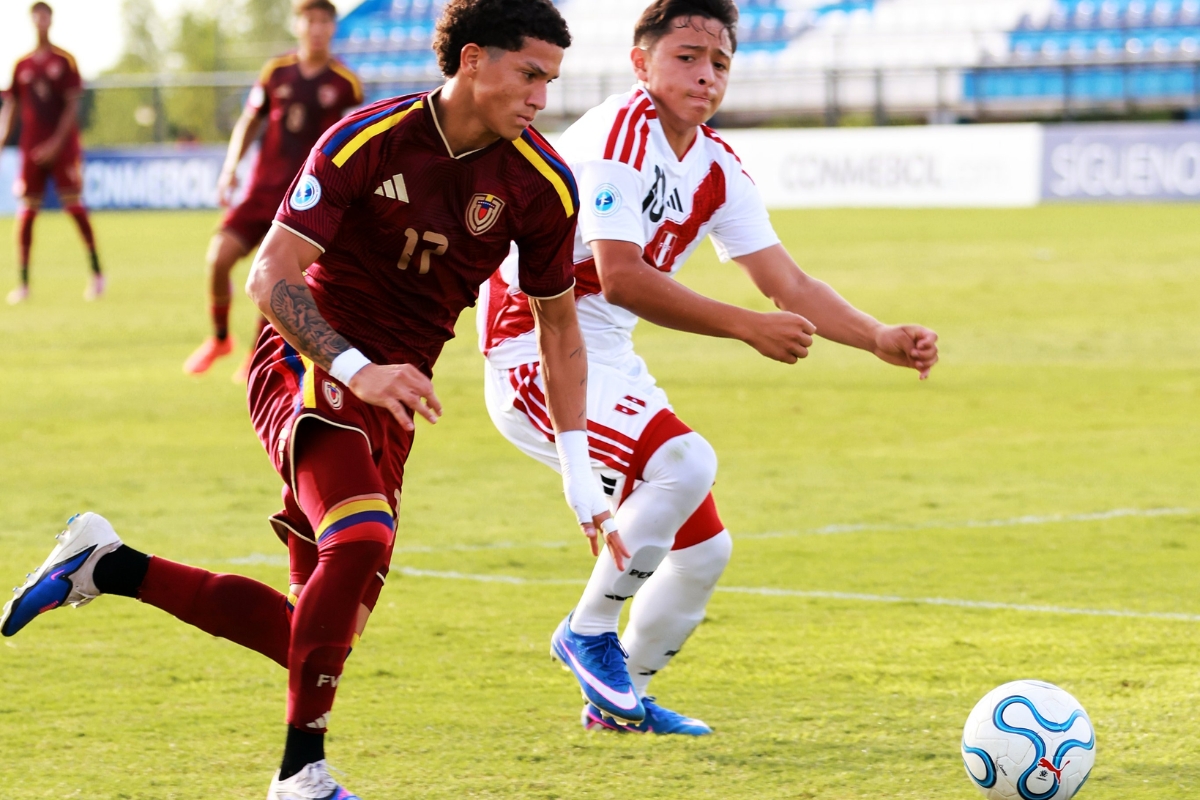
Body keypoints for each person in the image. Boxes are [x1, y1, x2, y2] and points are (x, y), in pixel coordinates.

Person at [1, 2, 616, 797]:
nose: (541, 97)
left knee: (317, 635)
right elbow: (270, 275)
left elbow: (559, 330)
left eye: (550, 80)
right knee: (358, 536)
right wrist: (356, 368)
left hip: (391, 398)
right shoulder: (368, 137)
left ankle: (108, 565)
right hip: (309, 352)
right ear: (472, 60)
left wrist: (577, 468)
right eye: (529, 74)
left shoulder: (542, 184)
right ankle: (302, 776)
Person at [478, 0, 939, 735]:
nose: (705, 75)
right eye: (687, 57)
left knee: (703, 550)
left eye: (719, 62)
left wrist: (877, 336)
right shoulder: (617, 134)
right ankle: (587, 631)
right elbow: (621, 277)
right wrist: (746, 327)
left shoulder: (717, 166)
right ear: (641, 62)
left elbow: (789, 282)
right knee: (686, 463)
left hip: (608, 355)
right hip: (533, 350)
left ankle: (620, 707)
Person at [183, 0, 362, 380]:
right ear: (297, 25)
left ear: (333, 27)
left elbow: (353, 141)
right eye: (310, 20)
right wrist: (230, 168)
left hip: (306, 200)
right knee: (218, 258)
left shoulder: (345, 83)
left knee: (278, 275)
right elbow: (250, 120)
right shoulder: (276, 71)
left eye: (324, 21)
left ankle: (255, 354)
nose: (316, 28)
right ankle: (220, 338)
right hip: (261, 190)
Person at [0, 1, 103, 305]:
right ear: (31, 20)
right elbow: (12, 106)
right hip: (31, 147)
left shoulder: (65, 60)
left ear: (51, 20)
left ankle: (97, 273)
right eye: (36, 16)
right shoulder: (21, 65)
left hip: (63, 147)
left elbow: (73, 105)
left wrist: (56, 144)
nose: (40, 20)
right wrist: (3, 140)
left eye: (45, 15)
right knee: (27, 213)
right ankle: (23, 283)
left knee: (73, 206)